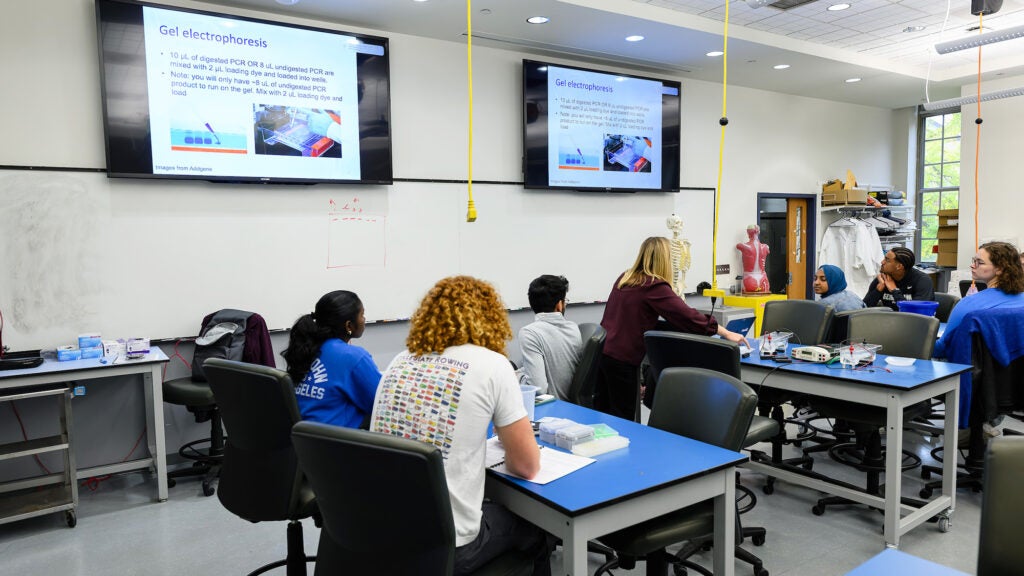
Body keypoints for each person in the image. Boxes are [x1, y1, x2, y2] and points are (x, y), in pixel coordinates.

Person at [369, 276, 551, 576]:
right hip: (451, 547)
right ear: (490, 318)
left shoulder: (400, 361)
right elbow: (527, 467)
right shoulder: (493, 365)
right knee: (537, 524)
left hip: (383, 535)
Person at [598, 237, 751, 419]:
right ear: (665, 259)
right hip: (623, 361)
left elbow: (630, 317)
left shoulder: (625, 278)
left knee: (604, 416)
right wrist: (724, 331)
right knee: (622, 422)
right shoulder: (654, 285)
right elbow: (687, 316)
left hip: (602, 353)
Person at [282, 290, 381, 429]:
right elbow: (381, 404)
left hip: (304, 442)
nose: (364, 319)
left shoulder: (306, 347)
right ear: (349, 326)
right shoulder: (354, 357)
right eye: (362, 315)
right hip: (338, 444)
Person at [934, 241, 1024, 358]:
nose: (972, 265)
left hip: (970, 372)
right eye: (974, 260)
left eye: (979, 263)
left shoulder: (968, 305)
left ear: (1000, 269)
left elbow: (942, 348)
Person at [518, 275, 581, 401]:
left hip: (551, 407)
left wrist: (516, 377)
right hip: (570, 405)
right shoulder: (573, 328)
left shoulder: (530, 333)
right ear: (559, 305)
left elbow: (538, 389)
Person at [862, 247, 935, 310]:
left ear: (899, 266)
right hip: (890, 321)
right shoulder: (883, 278)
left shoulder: (922, 281)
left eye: (887, 260)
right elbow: (864, 308)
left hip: (913, 323)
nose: (882, 262)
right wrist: (878, 290)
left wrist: (894, 290)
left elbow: (915, 313)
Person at [736, 224, 770, 293]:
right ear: (759, 232)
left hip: (749, 280)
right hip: (763, 280)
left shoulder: (744, 246)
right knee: (764, 302)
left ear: (748, 233)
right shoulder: (766, 247)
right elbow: (768, 251)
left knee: (748, 302)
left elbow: (737, 246)